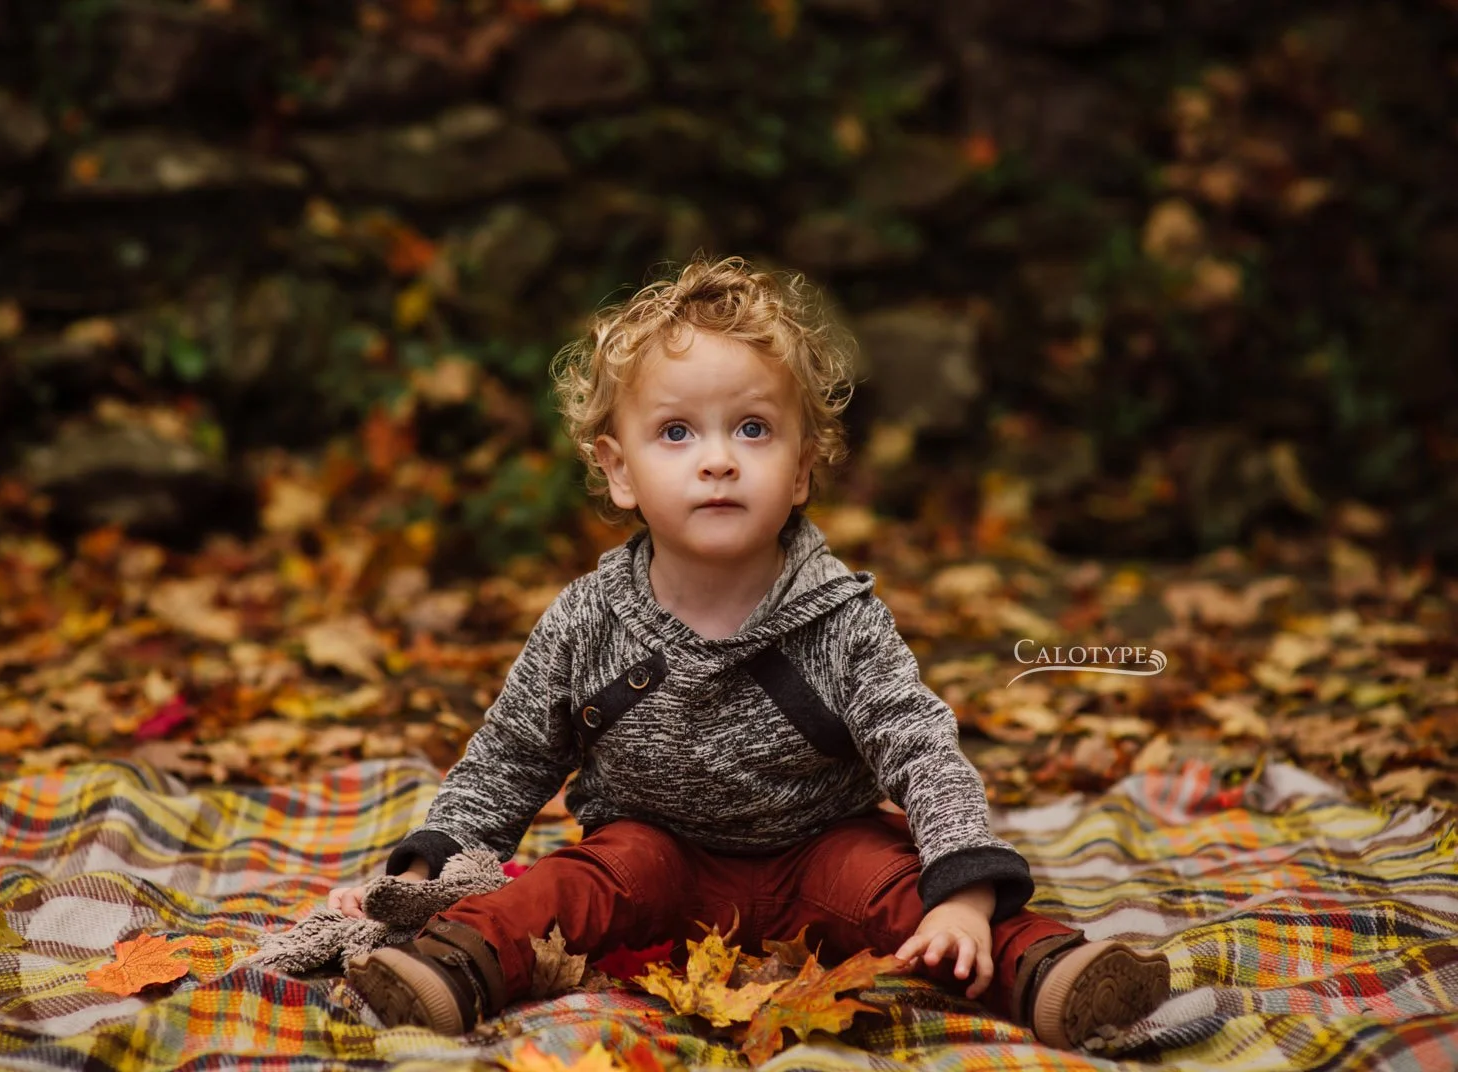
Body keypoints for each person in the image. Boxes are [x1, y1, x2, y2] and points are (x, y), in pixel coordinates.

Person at [329, 255, 1170, 1048]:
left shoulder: (842, 619)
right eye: (677, 434)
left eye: (754, 430)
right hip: (651, 853)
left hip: (821, 851)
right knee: (567, 886)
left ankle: (1050, 972)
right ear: (618, 471)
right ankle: (448, 967)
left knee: (907, 896)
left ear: (802, 470)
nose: (720, 461)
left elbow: (922, 752)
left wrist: (967, 892)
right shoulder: (587, 620)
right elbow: (509, 758)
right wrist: (419, 865)